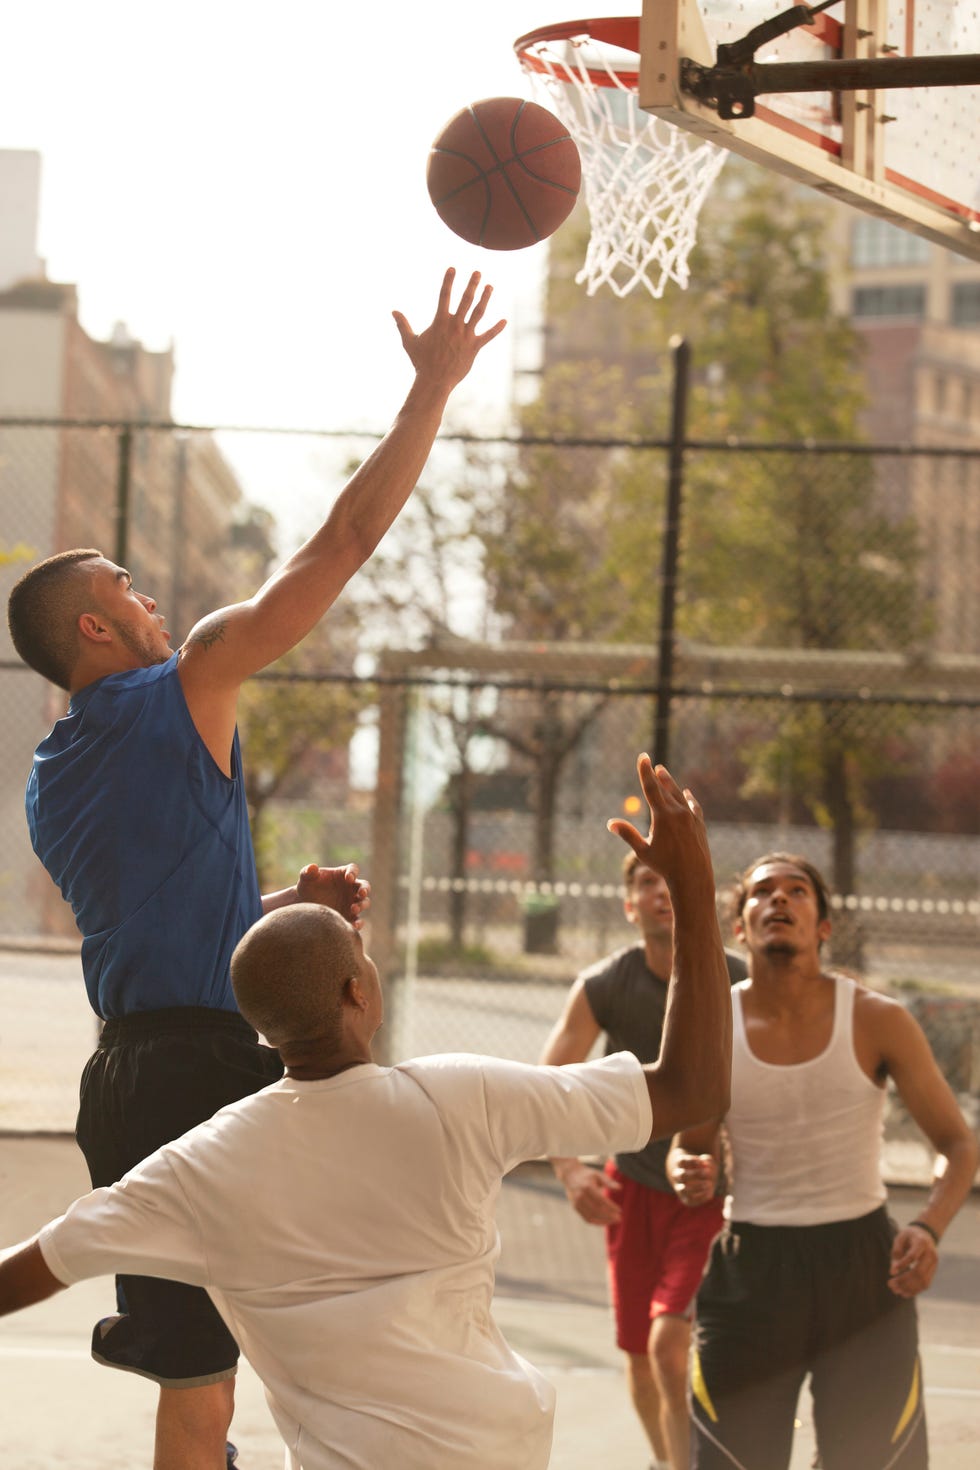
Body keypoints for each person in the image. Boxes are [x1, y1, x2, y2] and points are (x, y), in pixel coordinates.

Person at [5, 268, 506, 1470]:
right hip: (221, 1072)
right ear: (92, 628)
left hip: (125, 1075)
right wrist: (427, 394)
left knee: (195, 1385)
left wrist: (279, 909)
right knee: (340, 1338)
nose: (149, 593)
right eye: (125, 584)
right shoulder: (184, 685)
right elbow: (337, 546)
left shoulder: (50, 775)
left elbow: (159, 925)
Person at [0, 757, 733, 1470]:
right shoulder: (462, 1098)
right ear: (358, 993)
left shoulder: (203, 1164)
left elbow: (30, 1270)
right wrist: (694, 891)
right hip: (496, 1451)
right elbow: (690, 1089)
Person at [667, 851, 979, 1470]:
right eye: (762, 892)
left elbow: (959, 1143)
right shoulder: (711, 1025)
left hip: (862, 1268)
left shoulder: (877, 1019)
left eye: (797, 891)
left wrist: (928, 1226)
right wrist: (686, 1169)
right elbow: (690, 1144)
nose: (779, 900)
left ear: (824, 926)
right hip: (752, 1269)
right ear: (740, 925)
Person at [539, 852, 746, 1470]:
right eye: (647, 884)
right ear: (630, 907)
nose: (662, 893)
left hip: (707, 1195)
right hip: (629, 1186)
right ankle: (669, 1461)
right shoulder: (605, 984)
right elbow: (550, 1080)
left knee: (669, 1341)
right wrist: (571, 1170)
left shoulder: (736, 981)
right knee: (638, 1350)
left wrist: (731, 1160)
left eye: (672, 881)